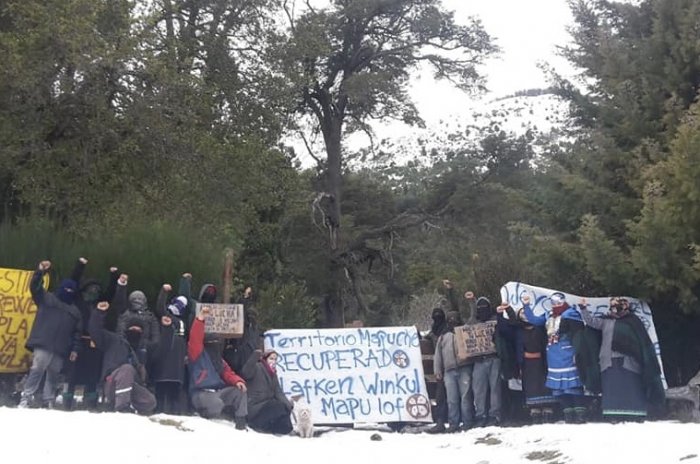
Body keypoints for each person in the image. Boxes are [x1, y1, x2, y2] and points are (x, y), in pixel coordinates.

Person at [577, 297, 664, 421]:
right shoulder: (606, 321)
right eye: (612, 306)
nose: (614, 309)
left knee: (631, 387)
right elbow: (591, 321)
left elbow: (641, 343)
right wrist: (583, 308)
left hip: (629, 362)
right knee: (611, 388)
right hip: (608, 360)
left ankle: (635, 414)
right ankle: (613, 415)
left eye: (616, 306)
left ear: (624, 306)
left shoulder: (633, 321)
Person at [521, 293, 595, 423]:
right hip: (553, 354)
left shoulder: (570, 313)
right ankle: (568, 414)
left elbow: (579, 334)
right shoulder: (548, 315)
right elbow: (534, 320)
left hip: (567, 351)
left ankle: (580, 413)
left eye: (557, 302)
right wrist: (526, 306)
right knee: (560, 388)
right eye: (553, 302)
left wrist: (577, 352)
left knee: (573, 385)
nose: (555, 304)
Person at [19, 260, 83, 409]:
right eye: (66, 289)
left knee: (54, 374)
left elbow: (77, 333)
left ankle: (49, 400)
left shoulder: (75, 311)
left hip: (61, 348)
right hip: (43, 342)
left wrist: (74, 350)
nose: (68, 292)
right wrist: (40, 271)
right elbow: (34, 287)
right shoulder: (47, 298)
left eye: (71, 290)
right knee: (37, 369)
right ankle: (27, 397)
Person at [61, 257, 118, 410]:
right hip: (77, 342)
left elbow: (111, 293)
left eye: (97, 289)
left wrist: (114, 276)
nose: (94, 291)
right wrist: (80, 265)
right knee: (72, 375)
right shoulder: (78, 300)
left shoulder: (100, 303)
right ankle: (67, 402)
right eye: (91, 288)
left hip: (94, 344)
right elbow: (73, 281)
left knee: (93, 375)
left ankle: (91, 403)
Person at [88, 300, 156, 414]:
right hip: (111, 382)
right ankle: (121, 408)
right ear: (127, 330)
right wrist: (99, 313)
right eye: (132, 329)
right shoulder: (114, 340)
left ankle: (132, 407)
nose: (135, 332)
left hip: (131, 386)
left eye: (139, 330)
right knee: (127, 369)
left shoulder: (140, 352)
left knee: (150, 400)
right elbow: (95, 331)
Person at [188, 305, 248, 429]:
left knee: (240, 391)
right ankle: (203, 415)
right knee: (216, 404)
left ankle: (241, 421)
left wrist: (237, 381)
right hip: (200, 393)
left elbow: (228, 373)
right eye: (212, 343)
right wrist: (200, 320)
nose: (215, 346)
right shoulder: (197, 354)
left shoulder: (219, 360)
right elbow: (195, 339)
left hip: (218, 392)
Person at [499, 302, 556, 423]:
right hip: (527, 364)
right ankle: (534, 412)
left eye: (526, 313)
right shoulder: (518, 331)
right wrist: (506, 310)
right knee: (531, 387)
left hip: (542, 363)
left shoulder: (539, 328)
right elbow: (508, 326)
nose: (524, 316)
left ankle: (548, 411)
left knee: (544, 385)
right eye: (521, 314)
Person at [150, 283, 188, 415]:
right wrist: (164, 292)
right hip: (164, 360)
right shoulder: (165, 315)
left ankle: (175, 417)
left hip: (177, 364)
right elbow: (159, 307)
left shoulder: (184, 321)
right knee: (160, 393)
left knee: (174, 397)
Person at [433, 310, 474, 432]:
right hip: (449, 370)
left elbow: (472, 317)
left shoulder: (464, 331)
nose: (453, 321)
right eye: (450, 319)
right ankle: (453, 423)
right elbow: (438, 354)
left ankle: (467, 421)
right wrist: (437, 370)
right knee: (452, 399)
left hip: (464, 368)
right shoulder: (443, 336)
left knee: (465, 397)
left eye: (455, 319)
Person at [241, 349, 294, 435]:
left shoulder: (273, 374)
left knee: (283, 408)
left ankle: (284, 429)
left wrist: (288, 406)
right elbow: (246, 372)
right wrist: (255, 356)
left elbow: (278, 392)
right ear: (265, 359)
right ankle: (258, 426)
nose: (273, 361)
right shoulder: (257, 367)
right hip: (255, 408)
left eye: (275, 359)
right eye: (271, 358)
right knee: (276, 405)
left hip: (266, 406)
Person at [469, 296, 502, 426]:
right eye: (479, 308)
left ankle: (495, 415)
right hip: (479, 360)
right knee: (478, 390)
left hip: (494, 358)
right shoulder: (473, 322)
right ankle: (480, 415)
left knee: (495, 388)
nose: (482, 310)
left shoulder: (495, 320)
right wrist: (471, 302)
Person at [425, 307, 449, 433]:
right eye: (435, 315)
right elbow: (426, 337)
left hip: (451, 366)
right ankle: (440, 421)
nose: (437, 317)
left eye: (440, 315)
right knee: (440, 395)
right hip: (440, 368)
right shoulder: (433, 332)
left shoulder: (448, 330)